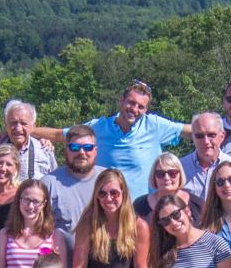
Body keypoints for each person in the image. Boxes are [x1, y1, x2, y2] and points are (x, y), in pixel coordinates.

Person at [30, 81, 192, 199]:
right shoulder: (99, 127)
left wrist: (215, 128)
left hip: (143, 211)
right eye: (131, 103)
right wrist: (24, 131)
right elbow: (59, 135)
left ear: (146, 109)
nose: (135, 109)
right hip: (108, 208)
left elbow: (189, 130)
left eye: (140, 107)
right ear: (121, 101)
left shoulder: (154, 125)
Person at [0, 178, 63, 268]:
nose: (30, 206)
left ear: (44, 204)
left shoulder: (55, 236)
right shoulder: (4, 235)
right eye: (26, 199)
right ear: (19, 200)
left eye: (36, 201)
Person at [181, 112, 231, 207]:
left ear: (222, 136)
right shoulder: (178, 170)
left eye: (211, 135)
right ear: (193, 137)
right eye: (199, 136)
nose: (206, 141)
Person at [41, 124, 100, 234]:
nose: (81, 152)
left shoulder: (108, 180)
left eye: (88, 147)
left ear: (95, 150)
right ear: (66, 150)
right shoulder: (48, 184)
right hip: (59, 250)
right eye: (74, 147)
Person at [0, 100, 58, 181]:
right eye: (13, 123)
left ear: (33, 126)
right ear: (6, 125)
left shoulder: (44, 149)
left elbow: (53, 182)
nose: (18, 129)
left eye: (23, 123)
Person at [135, 152, 203, 223]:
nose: (166, 178)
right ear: (154, 176)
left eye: (172, 173)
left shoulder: (197, 205)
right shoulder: (140, 205)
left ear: (180, 175)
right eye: (160, 174)